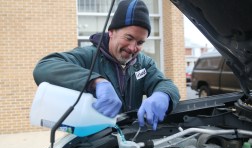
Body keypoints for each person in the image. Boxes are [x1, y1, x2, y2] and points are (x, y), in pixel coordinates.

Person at [33, 0, 180, 130]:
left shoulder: (144, 64)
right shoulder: (89, 56)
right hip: (92, 142)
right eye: (128, 38)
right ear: (111, 32)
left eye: (140, 42)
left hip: (129, 139)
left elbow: (165, 84)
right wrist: (96, 82)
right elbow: (44, 67)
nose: (132, 47)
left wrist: (163, 95)